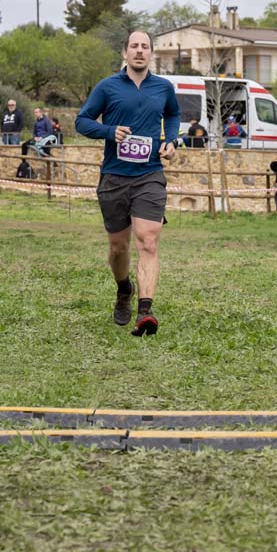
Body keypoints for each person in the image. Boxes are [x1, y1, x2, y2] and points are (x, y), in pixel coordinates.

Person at [76, 30, 179, 336]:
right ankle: (124, 290)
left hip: (150, 175)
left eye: (145, 46)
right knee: (118, 246)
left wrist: (172, 141)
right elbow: (82, 121)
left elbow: (173, 114)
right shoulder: (107, 87)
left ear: (151, 53)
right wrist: (110, 132)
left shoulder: (163, 87)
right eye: (134, 46)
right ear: (125, 52)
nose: (139, 51)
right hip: (114, 177)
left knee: (148, 240)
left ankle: (145, 312)